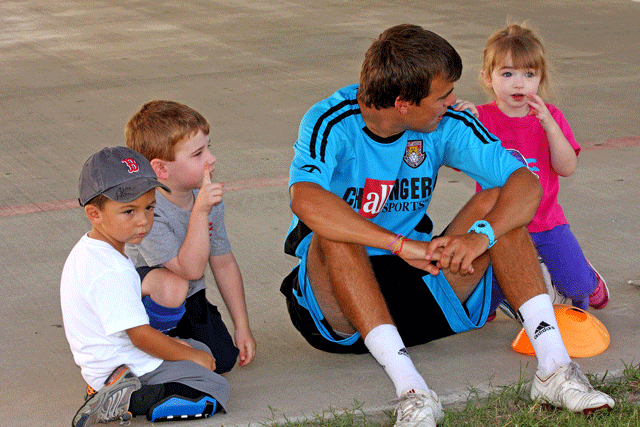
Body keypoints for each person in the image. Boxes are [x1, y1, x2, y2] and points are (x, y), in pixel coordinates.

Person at [280, 24, 614, 427]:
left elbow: (527, 183)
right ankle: (413, 393)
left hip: (423, 278)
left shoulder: (446, 122)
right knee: (333, 229)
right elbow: (305, 199)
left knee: (498, 199)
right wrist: (400, 244)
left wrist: (481, 237)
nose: (453, 101)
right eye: (442, 96)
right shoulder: (331, 120)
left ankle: (555, 371)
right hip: (341, 304)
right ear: (404, 103)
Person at [60, 146, 230, 426]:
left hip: (109, 362)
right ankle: (127, 399)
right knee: (214, 386)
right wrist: (190, 356)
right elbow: (140, 337)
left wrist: (190, 351)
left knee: (204, 352)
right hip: (123, 363)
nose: (143, 220)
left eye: (149, 207)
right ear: (94, 213)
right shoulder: (110, 269)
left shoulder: (92, 249)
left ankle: (110, 387)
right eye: (128, 211)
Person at [460, 23, 609, 312]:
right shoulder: (482, 119)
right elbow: (462, 162)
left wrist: (550, 128)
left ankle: (588, 275)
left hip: (547, 222)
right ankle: (504, 293)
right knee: (479, 307)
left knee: (577, 289)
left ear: (540, 79)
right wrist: (464, 125)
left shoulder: (550, 116)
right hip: (500, 226)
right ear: (487, 78)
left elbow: (566, 168)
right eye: (508, 73)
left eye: (529, 74)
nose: (519, 84)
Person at [124, 100, 256, 375]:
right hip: (144, 303)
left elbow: (223, 262)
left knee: (222, 359)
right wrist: (201, 209)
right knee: (174, 285)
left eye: (209, 147)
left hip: (190, 295)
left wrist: (242, 326)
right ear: (161, 169)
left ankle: (174, 347)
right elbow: (191, 269)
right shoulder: (147, 209)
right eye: (198, 154)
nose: (211, 158)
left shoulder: (207, 198)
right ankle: (137, 348)